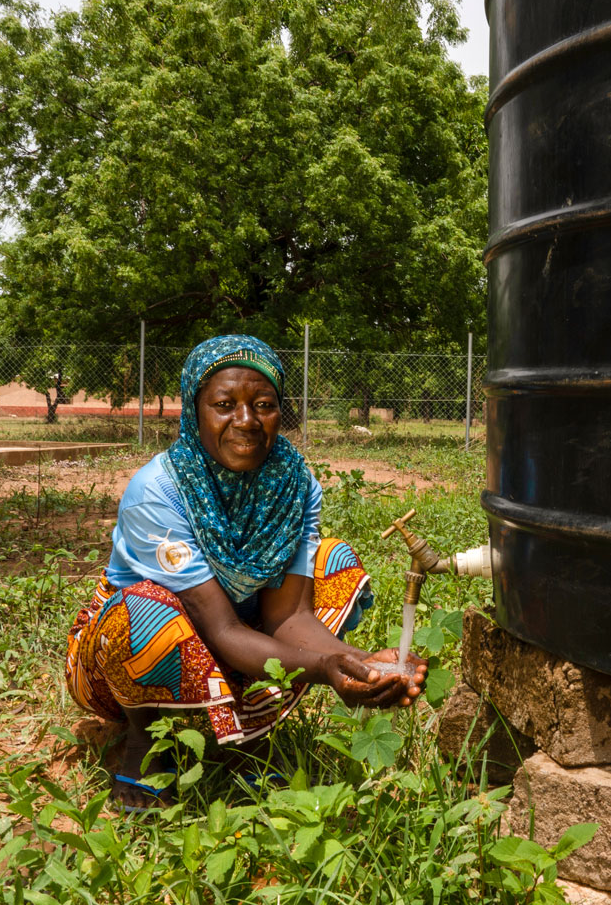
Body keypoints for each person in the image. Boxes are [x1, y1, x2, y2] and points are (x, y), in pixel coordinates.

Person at [65, 334, 425, 809]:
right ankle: (144, 745)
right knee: (147, 609)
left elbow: (289, 619)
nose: (246, 421)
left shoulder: (295, 485)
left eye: (263, 404)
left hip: (238, 641)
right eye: (223, 404)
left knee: (334, 561)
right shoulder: (159, 491)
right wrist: (323, 669)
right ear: (194, 412)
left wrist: (360, 665)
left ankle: (251, 732)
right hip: (123, 666)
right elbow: (221, 627)